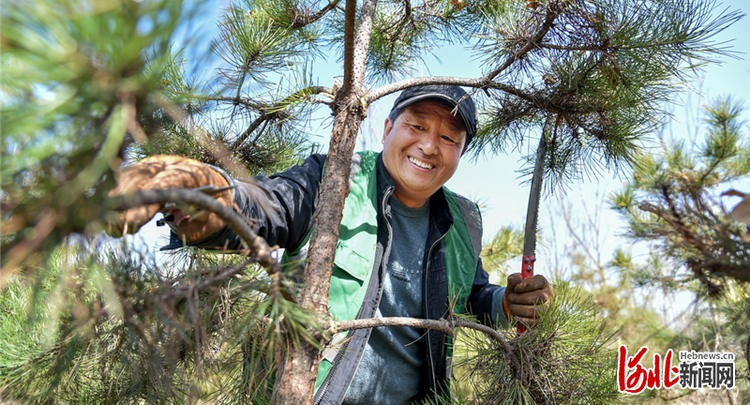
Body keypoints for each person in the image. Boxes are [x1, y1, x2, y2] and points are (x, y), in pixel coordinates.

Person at [112, 85, 554, 405]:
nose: (428, 146)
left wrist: (507, 304)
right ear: (387, 129)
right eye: (417, 125)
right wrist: (200, 192)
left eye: (448, 138)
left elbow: (469, 293)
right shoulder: (334, 179)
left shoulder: (463, 220)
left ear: (460, 152)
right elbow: (268, 206)